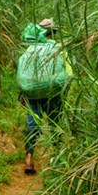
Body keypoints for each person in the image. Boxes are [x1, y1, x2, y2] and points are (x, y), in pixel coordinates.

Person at [18, 19, 66, 175]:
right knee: (55, 124)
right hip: (54, 94)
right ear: (53, 33)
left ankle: (28, 160)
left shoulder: (30, 50)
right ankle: (57, 161)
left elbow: (23, 74)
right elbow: (66, 75)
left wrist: (23, 94)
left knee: (32, 124)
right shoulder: (58, 49)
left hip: (33, 95)